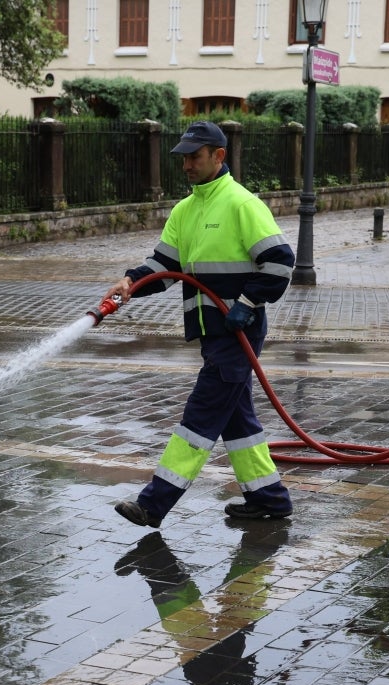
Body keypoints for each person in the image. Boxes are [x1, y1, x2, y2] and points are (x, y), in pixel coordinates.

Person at [108, 121, 295, 529]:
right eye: (184, 157)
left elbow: (280, 261)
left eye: (195, 156)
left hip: (238, 331)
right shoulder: (185, 209)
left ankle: (153, 504)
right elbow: (165, 266)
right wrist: (131, 282)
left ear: (219, 156)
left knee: (202, 414)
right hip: (212, 330)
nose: (187, 164)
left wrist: (247, 304)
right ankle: (271, 499)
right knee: (236, 418)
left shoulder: (242, 204)